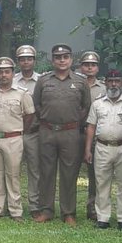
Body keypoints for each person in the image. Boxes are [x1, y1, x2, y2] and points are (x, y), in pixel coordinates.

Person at [32, 44, 91, 225]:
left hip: (70, 133)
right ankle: (46, 210)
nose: (62, 60)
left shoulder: (81, 82)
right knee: (46, 172)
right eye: (58, 57)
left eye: (65, 57)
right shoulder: (43, 81)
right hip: (47, 131)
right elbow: (36, 105)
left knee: (69, 173)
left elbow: (85, 107)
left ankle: (68, 212)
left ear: (71, 60)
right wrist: (47, 119)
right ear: (53, 60)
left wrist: (73, 123)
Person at [0, 57, 35, 220]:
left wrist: (19, 131)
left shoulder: (21, 93)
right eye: (0, 71)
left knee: (13, 174)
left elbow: (29, 115)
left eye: (7, 71)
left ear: (13, 73)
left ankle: (15, 210)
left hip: (13, 138)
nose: (4, 75)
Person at [84, 70, 122, 230]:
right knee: (102, 183)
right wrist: (87, 149)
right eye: (110, 81)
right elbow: (91, 126)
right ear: (105, 83)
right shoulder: (98, 103)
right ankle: (102, 217)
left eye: (117, 81)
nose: (114, 84)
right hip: (102, 147)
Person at [14, 45, 42, 215]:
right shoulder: (11, 79)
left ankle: (35, 205)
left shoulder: (42, 80)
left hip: (34, 132)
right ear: (18, 62)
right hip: (14, 133)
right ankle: (12, 203)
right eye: (23, 59)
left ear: (34, 61)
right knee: (12, 170)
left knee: (35, 170)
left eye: (29, 58)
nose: (26, 62)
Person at [79, 50, 104, 220]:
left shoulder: (104, 87)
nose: (89, 67)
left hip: (94, 135)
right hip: (75, 133)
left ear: (97, 67)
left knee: (95, 174)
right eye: (86, 64)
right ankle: (67, 207)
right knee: (69, 172)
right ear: (81, 67)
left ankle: (93, 207)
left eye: (93, 65)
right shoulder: (74, 83)